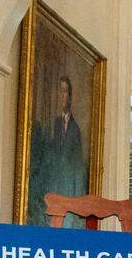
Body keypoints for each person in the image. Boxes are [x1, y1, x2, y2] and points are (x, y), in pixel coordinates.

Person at [29, 75, 88, 226]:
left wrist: (78, 211)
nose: (62, 95)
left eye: (65, 91)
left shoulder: (75, 130)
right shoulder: (52, 125)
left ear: (70, 96)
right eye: (60, 92)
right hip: (51, 197)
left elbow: (78, 172)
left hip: (67, 199)